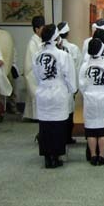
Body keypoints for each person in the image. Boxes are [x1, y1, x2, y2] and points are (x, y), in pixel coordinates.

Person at [32, 24, 77, 169]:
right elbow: (69, 76)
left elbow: (36, 75)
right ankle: (56, 156)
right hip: (58, 91)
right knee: (58, 125)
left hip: (43, 91)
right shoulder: (63, 55)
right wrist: (72, 90)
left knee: (45, 125)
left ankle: (46, 156)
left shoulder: (37, 55)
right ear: (56, 38)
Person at [79, 38, 104, 166]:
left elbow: (81, 85)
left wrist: (87, 93)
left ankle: (93, 155)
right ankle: (102, 155)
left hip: (90, 98)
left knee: (91, 128)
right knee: (103, 128)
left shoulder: (85, 66)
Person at [57, 21, 81, 144]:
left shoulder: (52, 48)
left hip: (56, 86)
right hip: (69, 85)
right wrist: (75, 86)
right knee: (69, 111)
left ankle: (58, 137)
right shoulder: (74, 48)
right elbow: (78, 68)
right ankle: (67, 136)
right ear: (68, 33)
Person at [23, 15, 45, 121]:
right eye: (42, 28)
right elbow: (33, 62)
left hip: (40, 72)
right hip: (34, 73)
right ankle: (36, 116)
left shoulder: (40, 41)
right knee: (36, 95)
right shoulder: (33, 42)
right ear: (37, 29)